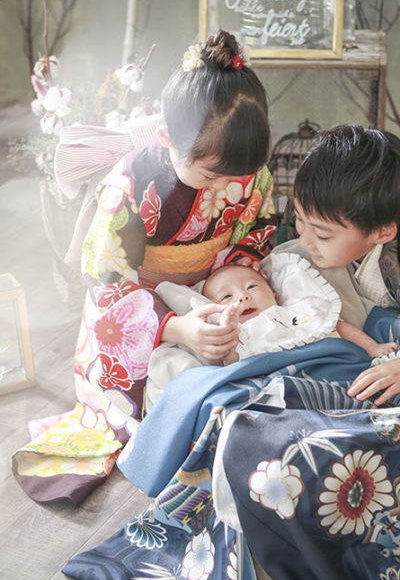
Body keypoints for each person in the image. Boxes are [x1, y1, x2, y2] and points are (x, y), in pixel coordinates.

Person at [13, 30, 278, 505]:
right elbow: (106, 280)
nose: (229, 186)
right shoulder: (133, 181)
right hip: (140, 310)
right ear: (166, 138)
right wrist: (177, 327)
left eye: (238, 175)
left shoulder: (249, 172)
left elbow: (253, 238)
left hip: (213, 293)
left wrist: (230, 297)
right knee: (149, 408)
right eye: (212, 175)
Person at [275, 124, 400, 406]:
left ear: (382, 232)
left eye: (323, 235)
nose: (305, 240)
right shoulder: (312, 210)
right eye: (299, 220)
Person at [202, 262, 397, 365]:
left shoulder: (297, 312)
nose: (243, 296)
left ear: (275, 294)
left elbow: (339, 327)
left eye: (251, 286)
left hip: (333, 362)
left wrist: (372, 347)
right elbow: (232, 362)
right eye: (226, 297)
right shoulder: (237, 335)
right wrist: (228, 330)